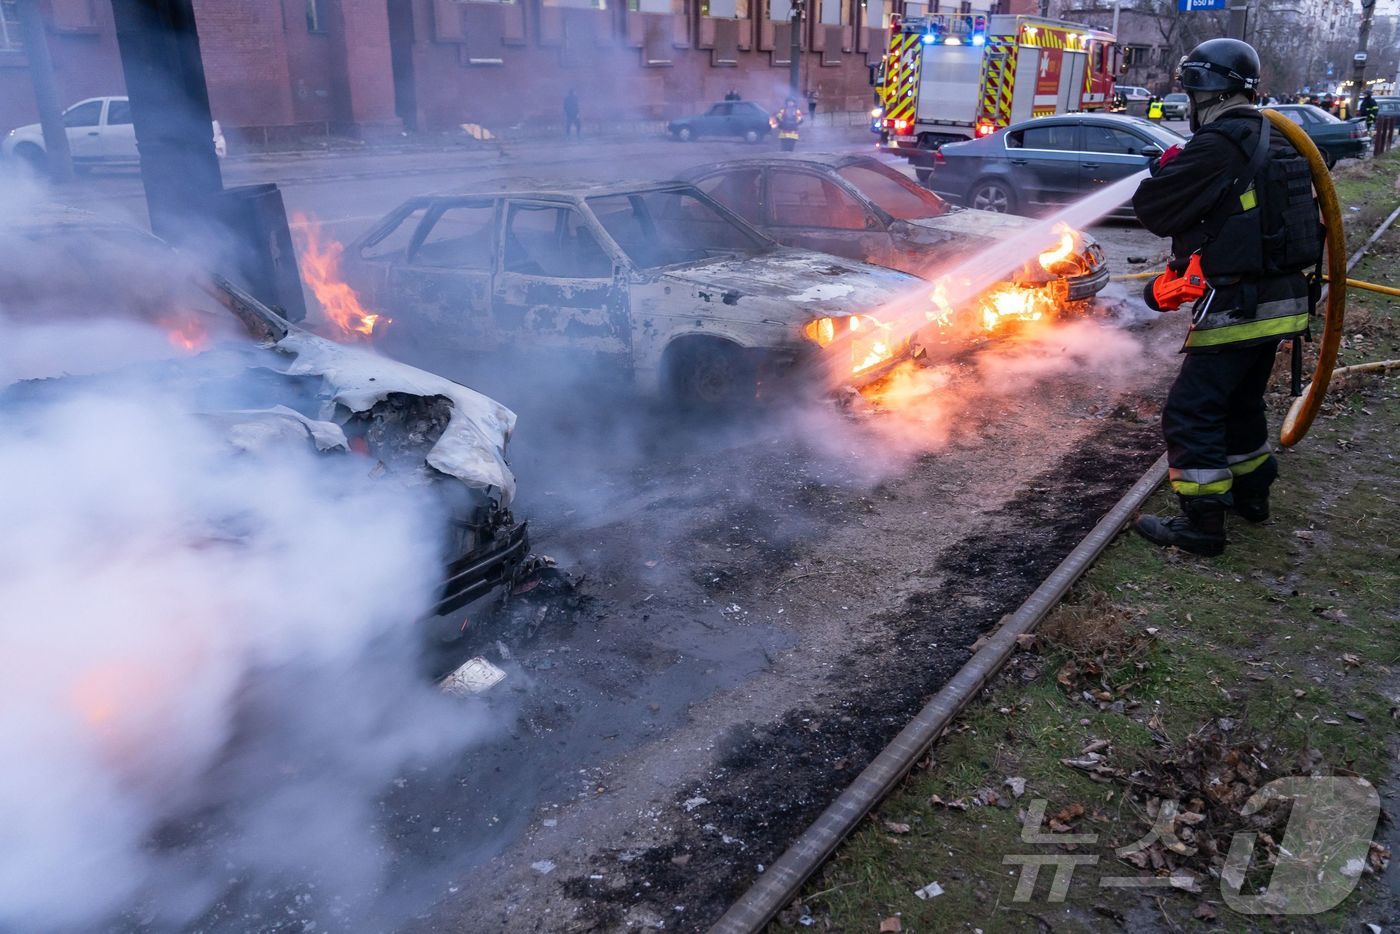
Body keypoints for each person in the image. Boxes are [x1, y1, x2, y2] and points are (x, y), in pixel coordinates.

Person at [1130, 38, 1322, 557]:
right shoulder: (1277, 135)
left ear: (1202, 88)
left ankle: (1202, 524)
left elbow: (1155, 212)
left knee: (1190, 411)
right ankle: (1253, 496)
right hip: (1284, 299)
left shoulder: (1218, 143)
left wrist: (1167, 170)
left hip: (1240, 302)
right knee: (1239, 403)